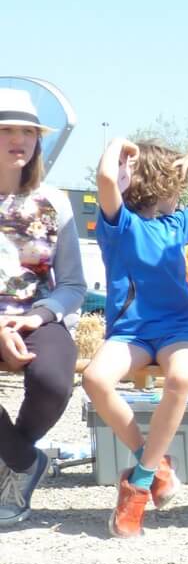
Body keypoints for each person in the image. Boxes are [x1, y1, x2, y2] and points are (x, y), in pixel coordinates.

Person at [82, 139, 188, 536]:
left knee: (181, 377)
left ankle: (140, 482)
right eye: (179, 183)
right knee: (95, 380)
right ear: (160, 183)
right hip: (131, 331)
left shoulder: (179, 223)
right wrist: (119, 146)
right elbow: (103, 176)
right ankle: (153, 463)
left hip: (177, 329)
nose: (183, 191)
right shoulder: (120, 223)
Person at [0, 88, 87, 525]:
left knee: (54, 382)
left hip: (39, 313)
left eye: (28, 131)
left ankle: (7, 461)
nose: (20, 139)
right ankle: (21, 462)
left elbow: (73, 284)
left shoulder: (54, 203)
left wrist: (36, 316)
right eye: (7, 129)